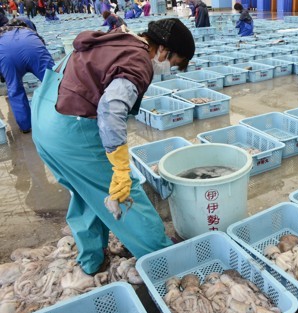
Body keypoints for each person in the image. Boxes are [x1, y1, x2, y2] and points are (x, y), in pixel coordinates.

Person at [30, 19, 195, 276]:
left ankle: (92, 261)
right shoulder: (138, 61)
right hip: (72, 131)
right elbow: (111, 108)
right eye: (173, 62)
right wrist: (119, 165)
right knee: (127, 196)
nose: (168, 68)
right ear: (163, 49)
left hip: (44, 118)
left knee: (86, 193)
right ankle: (163, 258)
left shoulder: (118, 39)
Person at [0, 19, 54, 133]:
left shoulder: (2, 32)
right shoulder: (28, 30)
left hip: (6, 54)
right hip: (32, 47)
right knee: (54, 81)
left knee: (14, 89)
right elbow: (42, 44)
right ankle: (63, 114)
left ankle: (25, 126)